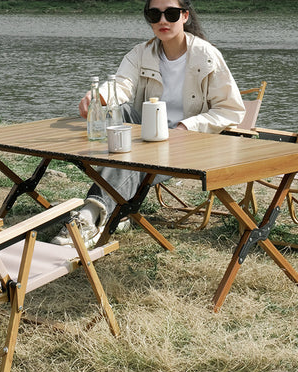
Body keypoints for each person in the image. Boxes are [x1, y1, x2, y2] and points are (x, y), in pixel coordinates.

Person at [52, 0, 245, 247]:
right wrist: (98, 98)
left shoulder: (206, 55)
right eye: (155, 14)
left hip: (186, 144)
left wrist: (188, 127)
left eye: (171, 14)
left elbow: (230, 110)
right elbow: (122, 85)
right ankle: (112, 208)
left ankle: (91, 217)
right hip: (147, 137)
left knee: (132, 154)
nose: (163, 21)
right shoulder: (141, 53)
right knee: (118, 114)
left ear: (185, 16)